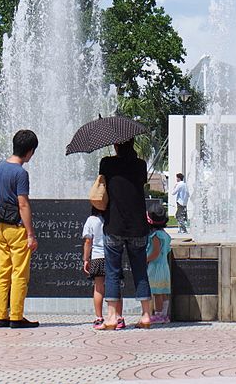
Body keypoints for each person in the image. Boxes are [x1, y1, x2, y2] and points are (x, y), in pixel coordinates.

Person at [100, 138, 152, 329]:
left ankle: (112, 317)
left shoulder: (106, 163)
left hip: (114, 224)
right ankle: (146, 314)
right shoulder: (140, 165)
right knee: (140, 271)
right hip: (138, 225)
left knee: (113, 272)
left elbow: (103, 184)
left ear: (116, 145)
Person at [0, 129, 39, 329]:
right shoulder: (20, 173)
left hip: (1, 226)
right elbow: (23, 204)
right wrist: (30, 234)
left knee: (3, 271)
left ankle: (0, 315)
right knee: (19, 273)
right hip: (17, 228)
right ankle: (16, 317)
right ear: (29, 151)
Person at [146, 205, 172, 323]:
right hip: (164, 266)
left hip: (155, 267)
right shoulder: (166, 235)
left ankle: (159, 314)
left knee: (157, 293)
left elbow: (155, 252)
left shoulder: (155, 236)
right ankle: (165, 315)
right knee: (164, 291)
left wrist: (146, 259)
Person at [82, 205, 107, 329]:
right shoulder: (112, 217)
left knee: (98, 288)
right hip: (112, 255)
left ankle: (99, 317)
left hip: (97, 256)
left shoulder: (91, 220)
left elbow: (88, 241)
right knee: (116, 286)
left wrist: (86, 259)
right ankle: (118, 317)